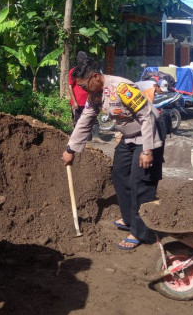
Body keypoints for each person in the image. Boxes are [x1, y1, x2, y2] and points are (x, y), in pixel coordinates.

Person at [61, 57, 165, 250]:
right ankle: (129, 219)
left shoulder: (121, 88)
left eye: (84, 85)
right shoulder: (95, 94)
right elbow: (85, 120)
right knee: (119, 174)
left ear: (95, 77)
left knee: (140, 182)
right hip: (128, 136)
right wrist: (71, 149)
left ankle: (142, 232)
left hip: (148, 132)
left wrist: (147, 150)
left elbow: (146, 116)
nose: (83, 90)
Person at [67, 51, 89, 128]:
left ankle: (95, 137)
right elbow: (70, 86)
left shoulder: (88, 71)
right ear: (78, 60)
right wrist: (75, 102)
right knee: (78, 122)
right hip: (78, 102)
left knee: (92, 121)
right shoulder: (73, 71)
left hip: (87, 101)